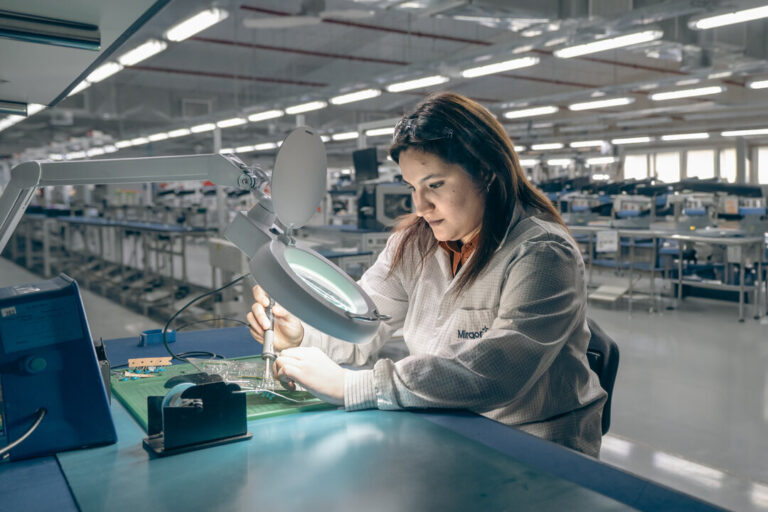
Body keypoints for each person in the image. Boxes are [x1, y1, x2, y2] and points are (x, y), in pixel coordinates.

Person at [248, 91, 607, 456]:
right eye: (412, 187)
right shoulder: (413, 244)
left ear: (485, 172)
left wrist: (354, 386)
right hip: (443, 425)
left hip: (533, 446)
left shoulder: (543, 253)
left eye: (434, 184)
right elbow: (363, 324)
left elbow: (497, 374)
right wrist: (303, 336)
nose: (420, 207)